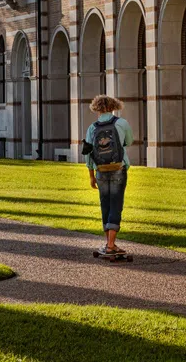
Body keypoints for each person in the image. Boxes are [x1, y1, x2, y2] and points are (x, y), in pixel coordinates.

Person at [83, 94, 133, 255]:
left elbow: (87, 153)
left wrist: (91, 175)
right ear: (113, 107)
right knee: (116, 204)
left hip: (100, 170)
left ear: (96, 109)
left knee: (105, 204)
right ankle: (112, 245)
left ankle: (108, 243)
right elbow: (129, 141)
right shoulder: (122, 123)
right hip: (118, 168)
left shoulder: (92, 128)